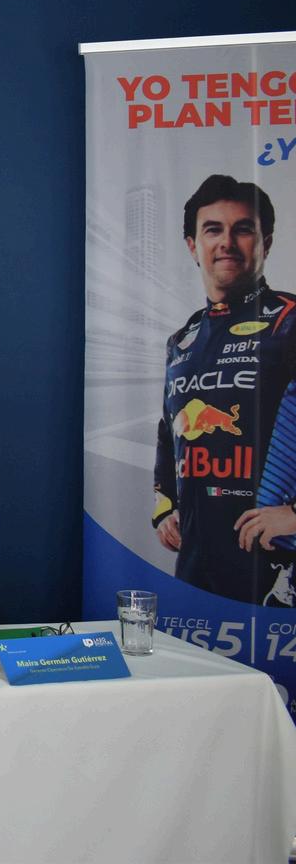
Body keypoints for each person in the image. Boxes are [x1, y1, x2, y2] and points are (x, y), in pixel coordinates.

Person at [153, 175, 296, 604]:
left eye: (243, 229)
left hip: (276, 562)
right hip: (197, 561)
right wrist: (166, 507)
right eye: (213, 229)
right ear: (192, 245)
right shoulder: (183, 338)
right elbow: (169, 431)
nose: (227, 243)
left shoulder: (290, 320)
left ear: (266, 243)